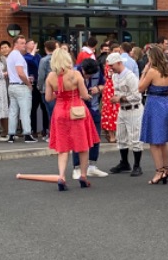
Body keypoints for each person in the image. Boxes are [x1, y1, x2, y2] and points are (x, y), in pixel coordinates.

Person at [44, 48, 99, 191]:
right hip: (77, 111)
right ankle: (83, 175)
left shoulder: (50, 76)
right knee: (83, 145)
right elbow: (84, 94)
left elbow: (48, 98)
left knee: (62, 147)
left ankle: (61, 176)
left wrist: (59, 93)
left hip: (60, 111)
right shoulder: (75, 74)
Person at [139, 44, 168, 185]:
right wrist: (163, 91)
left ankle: (159, 171)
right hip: (166, 103)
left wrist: (144, 71)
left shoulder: (152, 72)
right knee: (163, 140)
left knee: (154, 141)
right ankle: (167, 169)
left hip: (154, 104)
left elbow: (140, 88)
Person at [105, 53, 144, 176]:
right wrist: (116, 98)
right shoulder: (115, 76)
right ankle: (124, 162)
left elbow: (137, 96)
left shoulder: (130, 76)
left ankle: (137, 165)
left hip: (134, 109)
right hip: (122, 109)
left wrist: (120, 98)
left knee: (135, 138)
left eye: (112, 65)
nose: (111, 68)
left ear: (119, 62)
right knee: (121, 137)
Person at [71, 58, 108, 178]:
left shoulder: (97, 71)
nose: (88, 77)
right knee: (78, 139)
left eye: (90, 75)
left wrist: (98, 89)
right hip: (78, 110)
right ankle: (76, 168)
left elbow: (104, 84)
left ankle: (92, 166)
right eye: (86, 74)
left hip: (93, 108)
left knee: (96, 138)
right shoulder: (74, 72)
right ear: (82, 68)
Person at [5, 36, 36, 143]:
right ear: (15, 44)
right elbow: (20, 72)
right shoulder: (18, 56)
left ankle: (11, 134)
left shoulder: (10, 56)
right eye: (21, 43)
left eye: (24, 43)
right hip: (21, 86)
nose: (24, 45)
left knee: (13, 111)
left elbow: (11, 72)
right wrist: (28, 84)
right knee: (25, 111)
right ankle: (27, 133)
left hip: (12, 85)